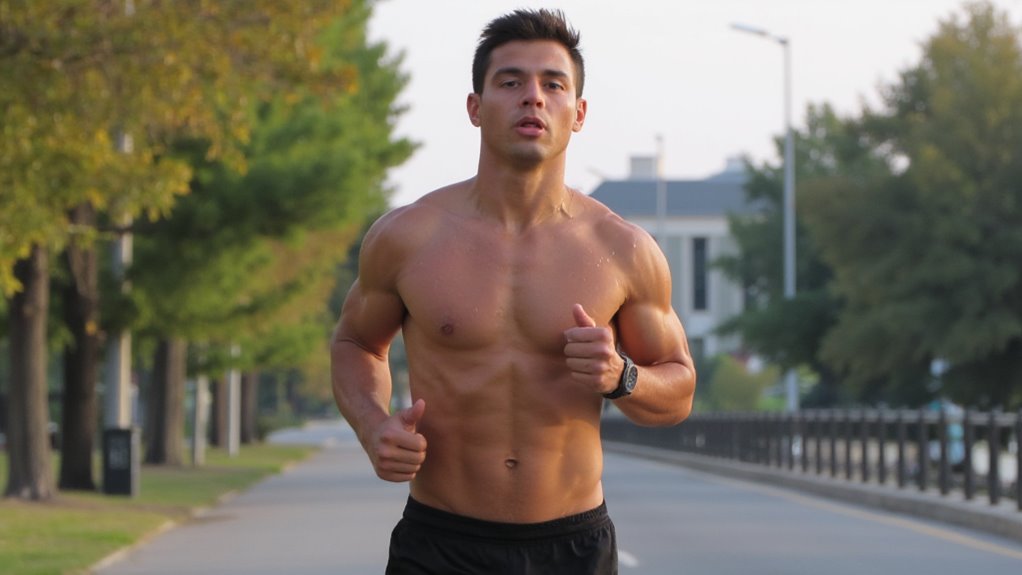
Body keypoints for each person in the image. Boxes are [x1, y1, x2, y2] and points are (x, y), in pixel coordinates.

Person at [331, 8, 696, 574]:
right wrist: (372, 425)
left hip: (571, 547)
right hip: (439, 543)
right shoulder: (409, 237)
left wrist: (621, 377)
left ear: (578, 114)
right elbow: (355, 343)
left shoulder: (623, 249)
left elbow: (679, 389)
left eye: (553, 84)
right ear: (475, 108)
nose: (533, 97)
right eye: (510, 82)